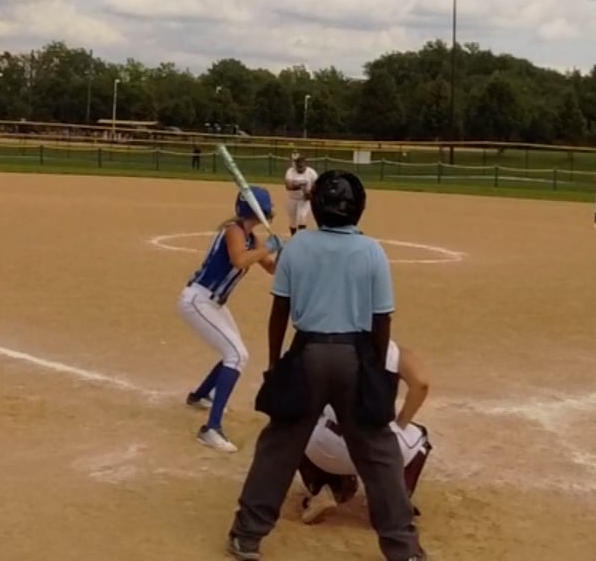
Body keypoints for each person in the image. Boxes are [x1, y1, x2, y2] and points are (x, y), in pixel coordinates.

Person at [227, 170, 424, 561]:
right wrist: (376, 370)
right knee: (379, 453)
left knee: (279, 447)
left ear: (316, 207)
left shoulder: (298, 247)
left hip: (308, 354)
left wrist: (276, 364)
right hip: (355, 355)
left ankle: (247, 535)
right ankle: (403, 549)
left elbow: (280, 311)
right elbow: (381, 319)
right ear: (359, 208)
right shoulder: (372, 251)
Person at [181, 187, 282, 453]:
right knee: (236, 355)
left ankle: (200, 396)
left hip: (214, 303)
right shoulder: (233, 231)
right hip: (198, 300)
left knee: (234, 351)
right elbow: (239, 260)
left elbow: (271, 268)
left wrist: (282, 255)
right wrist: (268, 247)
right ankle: (211, 429)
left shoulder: (252, 237)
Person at [298, 341, 433, 526]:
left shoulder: (323, 346)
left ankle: (326, 488)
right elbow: (421, 384)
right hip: (379, 448)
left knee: (297, 429)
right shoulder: (392, 350)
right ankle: (391, 503)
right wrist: (400, 424)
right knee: (420, 437)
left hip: (326, 449)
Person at [284, 153, 318, 236]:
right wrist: (300, 186)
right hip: (292, 198)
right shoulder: (290, 171)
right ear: (295, 165)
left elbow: (317, 186)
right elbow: (288, 186)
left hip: (303, 200)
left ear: (305, 164)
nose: (300, 168)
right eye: (298, 166)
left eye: (301, 166)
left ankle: (301, 237)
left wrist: (310, 194)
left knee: (302, 217)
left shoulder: (311, 173)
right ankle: (293, 237)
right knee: (292, 220)